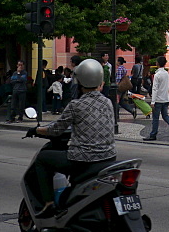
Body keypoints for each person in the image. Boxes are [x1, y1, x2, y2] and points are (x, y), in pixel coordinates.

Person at [27, 58, 117, 218]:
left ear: (80, 83)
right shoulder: (108, 103)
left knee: (42, 159)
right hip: (108, 157)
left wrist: (37, 129)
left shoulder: (75, 106)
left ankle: (48, 204)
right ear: (100, 82)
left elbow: (56, 129)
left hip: (82, 160)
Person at [144, 56, 169, 141]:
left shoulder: (157, 75)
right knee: (165, 116)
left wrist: (152, 101)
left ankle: (153, 134)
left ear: (157, 63)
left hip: (158, 99)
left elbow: (155, 88)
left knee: (155, 118)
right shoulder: (166, 74)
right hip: (165, 98)